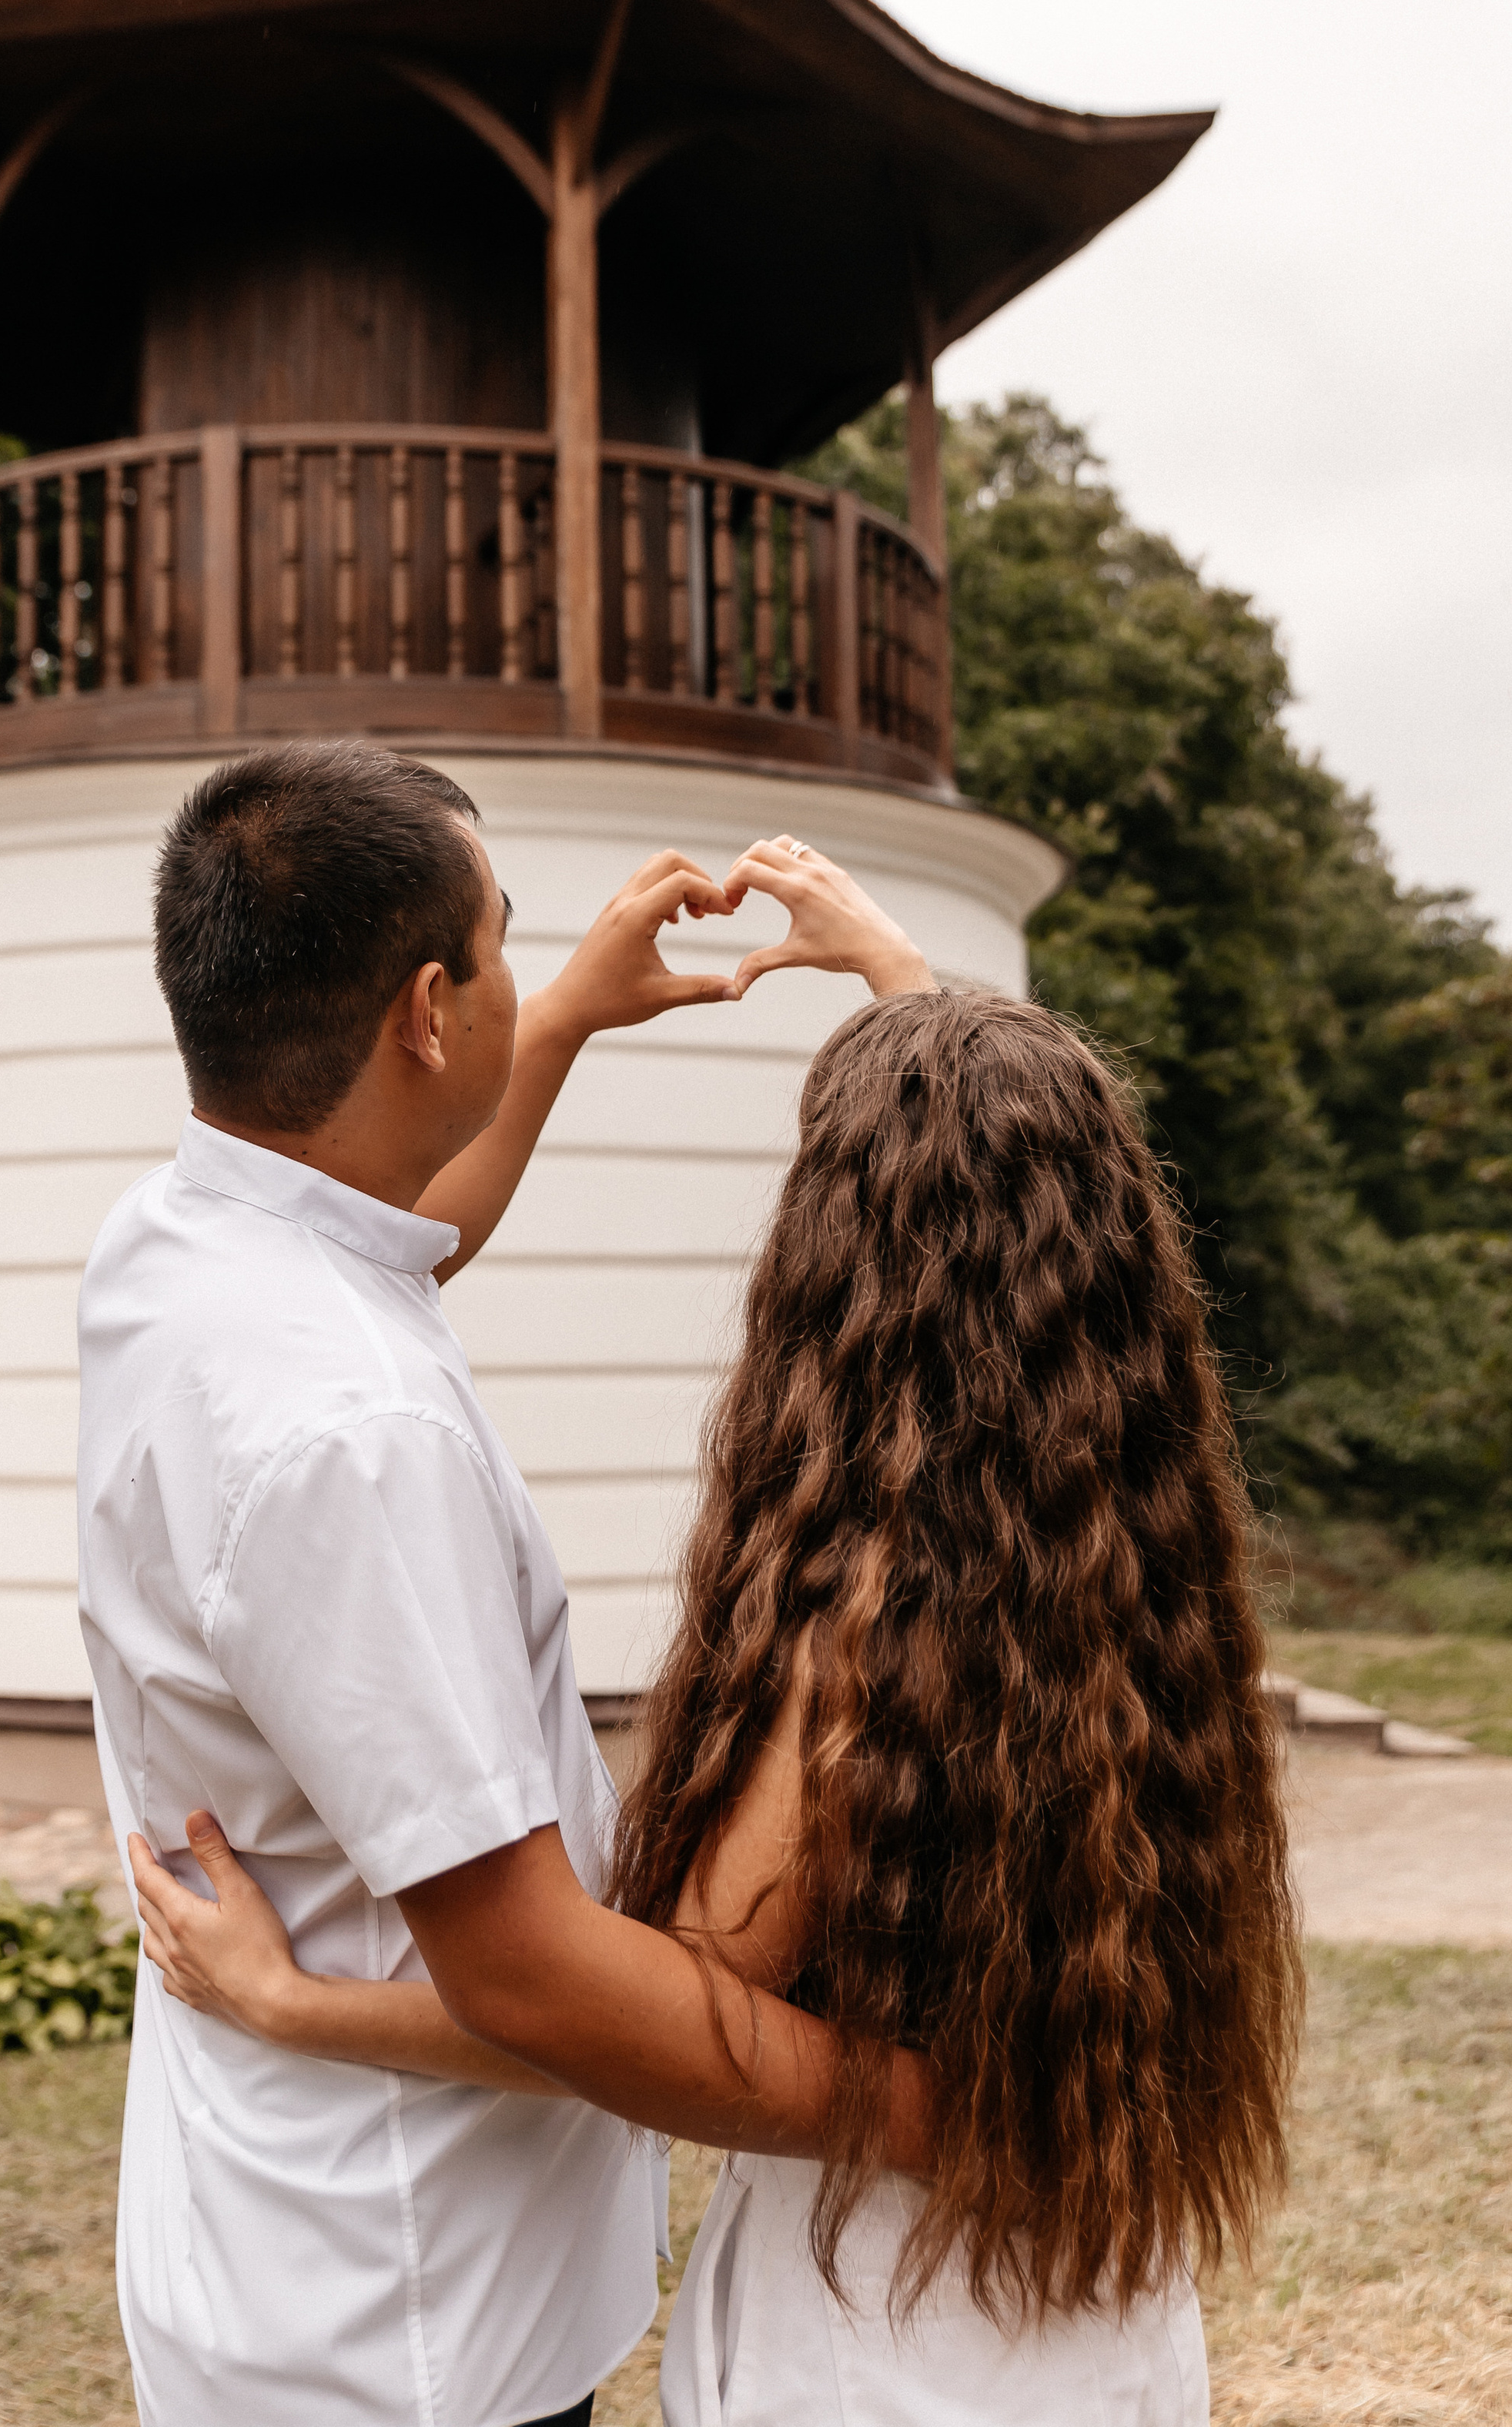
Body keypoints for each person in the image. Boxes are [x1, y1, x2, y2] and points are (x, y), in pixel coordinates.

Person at [130, 846, 1302, 2427]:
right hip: (1105, 2338)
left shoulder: (868, 1632)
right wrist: (898, 971)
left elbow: (654, 2016)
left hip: (876, 2356)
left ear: (834, 1265)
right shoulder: (1135, 1573)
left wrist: (294, 2007)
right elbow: (1027, 1183)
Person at [79, 741, 934, 2427]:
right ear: (419, 1009)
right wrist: (938, 2115)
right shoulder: (353, 1439)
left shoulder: (184, 1242)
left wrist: (560, 1027)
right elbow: (530, 1973)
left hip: (282, 2242)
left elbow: (405, 1235)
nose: (516, 971)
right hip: (406, 2325)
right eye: (499, 944)